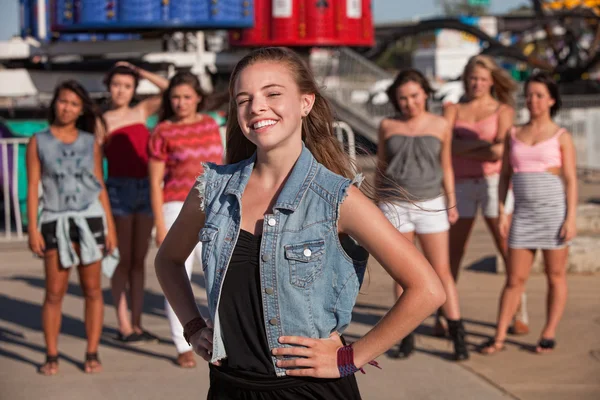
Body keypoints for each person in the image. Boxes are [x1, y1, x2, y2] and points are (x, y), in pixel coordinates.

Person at [155, 47, 446, 399]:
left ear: (305, 103)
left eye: (273, 93)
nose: (257, 106)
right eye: (244, 99)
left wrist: (350, 357)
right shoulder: (212, 190)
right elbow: (168, 261)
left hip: (311, 392)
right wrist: (192, 326)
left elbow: (427, 289)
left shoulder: (339, 199)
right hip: (229, 388)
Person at [481, 72, 577, 355]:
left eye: (539, 95)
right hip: (522, 215)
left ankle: (548, 333)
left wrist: (570, 218)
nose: (533, 100)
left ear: (551, 100)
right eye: (530, 95)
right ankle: (498, 336)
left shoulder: (561, 136)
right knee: (514, 279)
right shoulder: (513, 134)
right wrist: (502, 211)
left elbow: (570, 179)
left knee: (555, 275)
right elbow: (504, 176)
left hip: (553, 215)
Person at [26, 80, 117, 375]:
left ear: (81, 111)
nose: (67, 108)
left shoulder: (90, 141)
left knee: (92, 289)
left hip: (90, 218)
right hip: (54, 219)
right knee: (54, 292)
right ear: (55, 103)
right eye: (63, 101)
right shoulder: (38, 141)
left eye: (74, 104)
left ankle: (92, 352)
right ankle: (51, 354)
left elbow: (99, 184)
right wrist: (33, 228)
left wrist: (110, 227)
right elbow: (33, 186)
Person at [377, 69, 467, 361]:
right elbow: (381, 165)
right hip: (394, 204)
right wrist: (376, 203)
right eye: (402, 98)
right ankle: (405, 336)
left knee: (441, 272)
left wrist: (451, 202)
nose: (409, 103)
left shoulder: (441, 124)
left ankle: (458, 335)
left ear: (425, 94)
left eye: (414, 96)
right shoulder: (388, 125)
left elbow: (447, 166)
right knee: (404, 275)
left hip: (431, 203)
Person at [443, 55, 530, 336]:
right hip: (460, 185)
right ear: (465, 79)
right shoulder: (454, 109)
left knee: (507, 250)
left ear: (491, 80)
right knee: (453, 253)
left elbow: (499, 151)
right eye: (472, 78)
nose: (476, 83)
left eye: (481, 78)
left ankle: (518, 311)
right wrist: (479, 147)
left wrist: (461, 147)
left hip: (494, 183)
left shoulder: (503, 110)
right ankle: (446, 315)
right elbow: (443, 145)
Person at [148, 72, 224, 368]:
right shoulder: (162, 131)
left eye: (187, 96)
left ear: (198, 98)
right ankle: (183, 341)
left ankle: (220, 334)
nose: (180, 102)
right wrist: (159, 222)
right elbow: (154, 181)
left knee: (219, 272)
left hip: (216, 204)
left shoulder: (212, 124)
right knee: (176, 273)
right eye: (175, 97)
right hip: (175, 206)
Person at [100, 61, 169, 344]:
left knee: (139, 261)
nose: (121, 90)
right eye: (116, 85)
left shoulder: (140, 111)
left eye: (127, 86)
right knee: (123, 260)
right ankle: (124, 323)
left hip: (146, 189)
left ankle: (137, 324)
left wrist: (139, 71)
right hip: (119, 191)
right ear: (108, 87)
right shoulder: (101, 120)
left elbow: (170, 90)